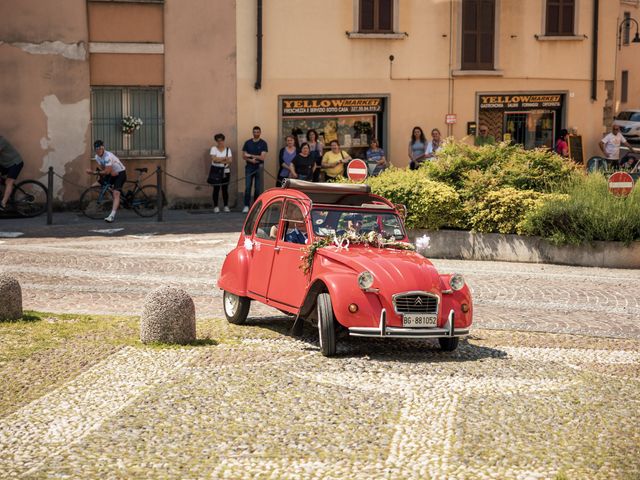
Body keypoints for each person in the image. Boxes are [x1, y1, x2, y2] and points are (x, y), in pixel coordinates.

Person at [86, 140, 126, 223]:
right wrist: (108, 172)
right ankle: (107, 196)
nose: (99, 150)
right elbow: (104, 168)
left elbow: (106, 171)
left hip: (120, 173)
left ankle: (112, 216)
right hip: (112, 173)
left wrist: (93, 172)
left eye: (100, 148)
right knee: (95, 186)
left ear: (103, 148)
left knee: (116, 193)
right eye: (97, 149)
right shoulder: (97, 157)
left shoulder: (107, 156)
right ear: (94, 149)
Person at [242, 126, 268, 213]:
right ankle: (246, 205)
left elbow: (262, 157)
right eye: (255, 132)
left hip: (259, 168)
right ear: (252, 133)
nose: (256, 133)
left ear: (260, 133)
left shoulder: (263, 143)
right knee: (248, 187)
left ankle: (256, 206)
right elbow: (244, 156)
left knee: (258, 188)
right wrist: (250, 160)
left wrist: (250, 155)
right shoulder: (247, 143)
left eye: (257, 132)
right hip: (249, 167)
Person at [0, 136, 25, 212]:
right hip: (5, 164)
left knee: (9, 181)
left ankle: (3, 204)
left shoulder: (2, 140)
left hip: (15, 163)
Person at [209, 133, 232, 213]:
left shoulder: (228, 149)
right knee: (216, 189)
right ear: (216, 141)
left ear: (223, 141)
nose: (220, 142)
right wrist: (224, 158)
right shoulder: (213, 149)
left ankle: (226, 206)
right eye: (218, 141)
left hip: (225, 171)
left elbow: (230, 160)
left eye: (221, 141)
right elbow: (214, 159)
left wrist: (219, 159)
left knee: (225, 189)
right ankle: (216, 206)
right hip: (216, 171)